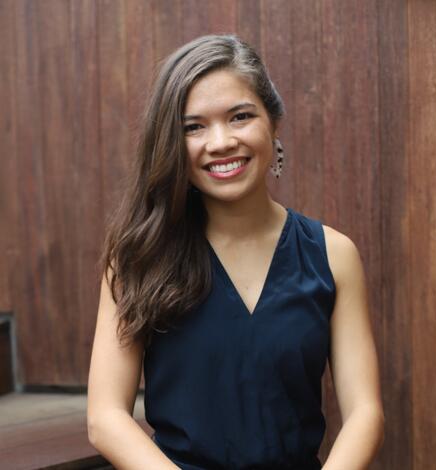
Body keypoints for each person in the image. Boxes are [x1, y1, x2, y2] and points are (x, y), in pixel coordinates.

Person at [87, 34, 384, 469]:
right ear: (171, 142)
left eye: (240, 116)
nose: (221, 141)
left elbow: (364, 412)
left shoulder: (333, 255)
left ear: (273, 122)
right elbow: (105, 417)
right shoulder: (138, 257)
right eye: (194, 127)